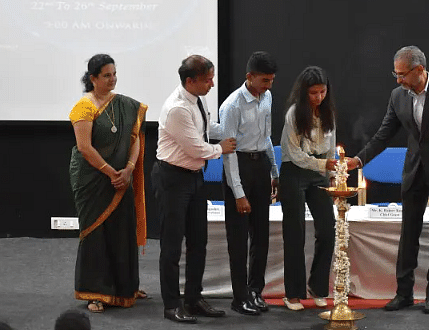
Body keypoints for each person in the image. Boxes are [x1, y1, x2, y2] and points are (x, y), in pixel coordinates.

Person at [346, 45, 429, 314]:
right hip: (414, 172)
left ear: (420, 70)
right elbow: (384, 134)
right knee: (408, 234)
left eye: (402, 74)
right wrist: (359, 160)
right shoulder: (397, 96)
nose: (398, 80)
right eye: (396, 74)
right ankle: (403, 293)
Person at [152, 55, 237, 324]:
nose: (212, 84)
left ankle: (193, 298)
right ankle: (171, 305)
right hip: (173, 179)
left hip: (194, 177)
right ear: (190, 81)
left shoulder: (199, 99)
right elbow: (195, 148)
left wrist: (230, 130)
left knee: (199, 241)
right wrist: (221, 148)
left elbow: (205, 129)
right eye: (207, 80)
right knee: (172, 245)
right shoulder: (177, 108)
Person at [69, 54, 148, 313]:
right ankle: (95, 292)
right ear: (93, 78)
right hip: (92, 179)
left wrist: (128, 169)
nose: (112, 79)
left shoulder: (125, 105)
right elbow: (84, 147)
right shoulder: (84, 107)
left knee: (122, 229)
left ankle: (126, 287)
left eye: (114, 74)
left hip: (122, 177)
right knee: (96, 232)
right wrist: (111, 172)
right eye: (106, 75)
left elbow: (134, 140)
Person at [219, 51, 279, 316]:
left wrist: (274, 170)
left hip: (260, 166)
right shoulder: (232, 106)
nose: (269, 85)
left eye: (271, 80)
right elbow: (228, 152)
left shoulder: (267, 97)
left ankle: (255, 290)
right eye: (265, 80)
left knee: (261, 234)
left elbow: (266, 138)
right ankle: (239, 296)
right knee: (238, 238)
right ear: (249, 77)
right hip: (239, 167)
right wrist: (238, 193)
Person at [278, 66, 338, 311]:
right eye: (313, 93)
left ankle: (318, 287)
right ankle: (293, 294)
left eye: (322, 92)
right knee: (295, 233)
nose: (318, 97)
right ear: (304, 92)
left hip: (319, 173)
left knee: (328, 230)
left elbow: (331, 147)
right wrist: (323, 165)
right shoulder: (294, 114)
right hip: (294, 171)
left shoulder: (327, 112)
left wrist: (331, 174)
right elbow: (293, 153)